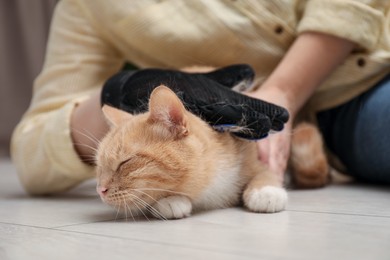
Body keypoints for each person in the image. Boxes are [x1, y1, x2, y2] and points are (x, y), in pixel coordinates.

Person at [11, 0, 390, 195]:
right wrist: (122, 91)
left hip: (369, 58)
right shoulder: (89, 8)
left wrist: (282, 91)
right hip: (346, 105)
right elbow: (30, 150)